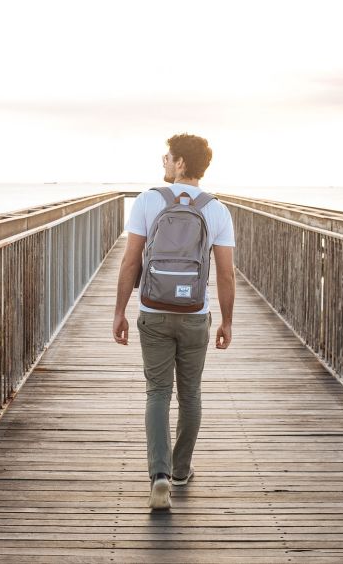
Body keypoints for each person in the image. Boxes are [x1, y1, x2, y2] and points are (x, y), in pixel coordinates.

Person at [112, 133, 235, 510]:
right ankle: (181, 471)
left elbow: (131, 261)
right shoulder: (216, 210)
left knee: (157, 393)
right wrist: (226, 322)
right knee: (191, 393)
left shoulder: (149, 201)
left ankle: (159, 476)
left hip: (153, 310)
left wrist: (119, 311)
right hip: (195, 314)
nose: (163, 161)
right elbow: (226, 274)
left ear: (181, 163)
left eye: (168, 157)